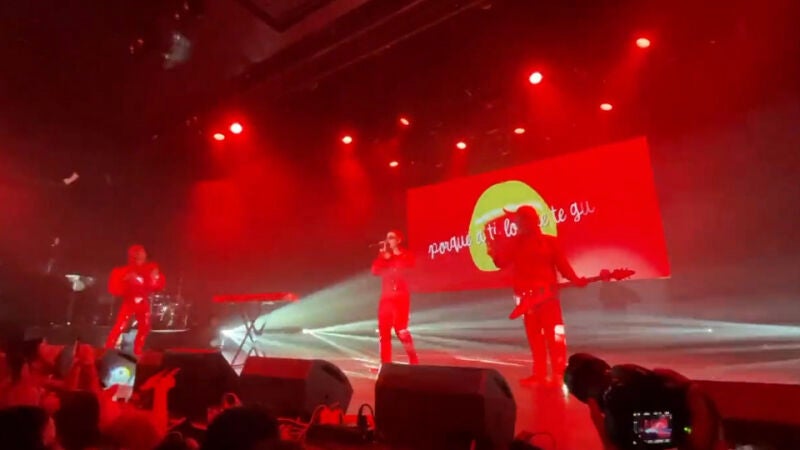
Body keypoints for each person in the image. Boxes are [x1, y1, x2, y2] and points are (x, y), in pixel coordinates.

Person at [486, 206, 586, 385]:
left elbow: (563, 266)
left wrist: (576, 279)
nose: (519, 225)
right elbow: (501, 262)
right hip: (526, 299)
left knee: (555, 336)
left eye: (523, 221)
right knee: (535, 337)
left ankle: (559, 373)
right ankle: (539, 374)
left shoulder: (549, 242)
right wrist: (493, 248)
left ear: (534, 220)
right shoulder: (515, 243)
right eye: (519, 222)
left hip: (548, 297)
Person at [105, 245, 165, 356]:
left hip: (142, 301)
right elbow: (117, 286)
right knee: (121, 324)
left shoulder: (149, 268)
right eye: (136, 253)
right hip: (129, 300)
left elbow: (155, 284)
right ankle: (110, 346)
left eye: (141, 253)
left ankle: (138, 349)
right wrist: (127, 279)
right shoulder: (125, 270)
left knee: (144, 326)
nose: (139, 256)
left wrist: (152, 279)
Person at [371, 230, 419, 366]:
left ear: (398, 240)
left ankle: (413, 358)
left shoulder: (406, 255)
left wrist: (392, 258)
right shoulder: (385, 256)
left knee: (401, 330)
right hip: (386, 298)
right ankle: (385, 363)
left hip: (401, 297)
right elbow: (374, 271)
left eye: (391, 237)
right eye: (387, 238)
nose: (388, 240)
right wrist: (383, 258)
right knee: (384, 332)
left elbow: (408, 268)